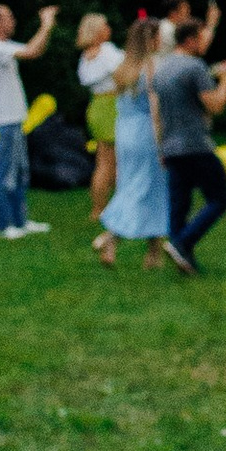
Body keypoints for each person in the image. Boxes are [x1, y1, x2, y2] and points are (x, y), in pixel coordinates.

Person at [153, 4, 226, 274]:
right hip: (196, 144)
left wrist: (160, 147)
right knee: (219, 198)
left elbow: (157, 113)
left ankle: (182, 257)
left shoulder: (163, 69)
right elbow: (215, 106)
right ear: (190, 40)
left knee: (180, 204)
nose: (204, 43)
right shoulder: (194, 67)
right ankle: (182, 243)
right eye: (201, 37)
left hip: (171, 145)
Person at [0, 0, 60, 241]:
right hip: (6, 120)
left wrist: (46, 30)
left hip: (15, 118)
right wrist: (45, 24)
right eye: (9, 17)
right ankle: (3, 225)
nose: (13, 21)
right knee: (5, 172)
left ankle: (20, 221)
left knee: (20, 172)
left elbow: (35, 49)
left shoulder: (4, 46)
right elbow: (32, 51)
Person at [93, 15, 170, 268]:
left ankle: (150, 254)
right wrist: (162, 143)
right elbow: (156, 108)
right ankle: (112, 237)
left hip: (125, 131)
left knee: (132, 185)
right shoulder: (150, 68)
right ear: (152, 39)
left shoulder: (123, 68)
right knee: (150, 189)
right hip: (146, 134)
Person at [76, 12, 121, 218]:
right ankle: (117, 206)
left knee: (103, 161)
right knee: (115, 162)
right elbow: (123, 75)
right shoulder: (108, 52)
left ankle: (98, 207)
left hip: (96, 106)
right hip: (113, 105)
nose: (108, 28)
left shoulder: (84, 58)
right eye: (105, 25)